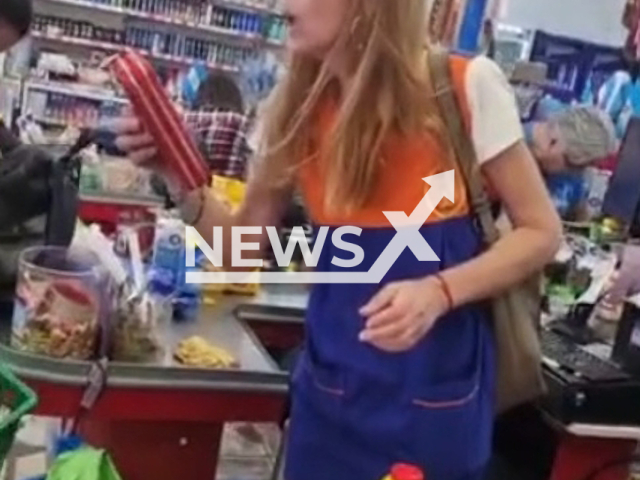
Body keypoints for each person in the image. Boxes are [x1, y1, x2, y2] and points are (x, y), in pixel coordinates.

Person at [112, 0, 562, 478]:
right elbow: (239, 253)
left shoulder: (462, 88)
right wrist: (178, 181)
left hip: (434, 413)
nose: (281, 4)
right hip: (328, 407)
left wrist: (440, 291)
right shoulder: (294, 110)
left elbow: (541, 232)